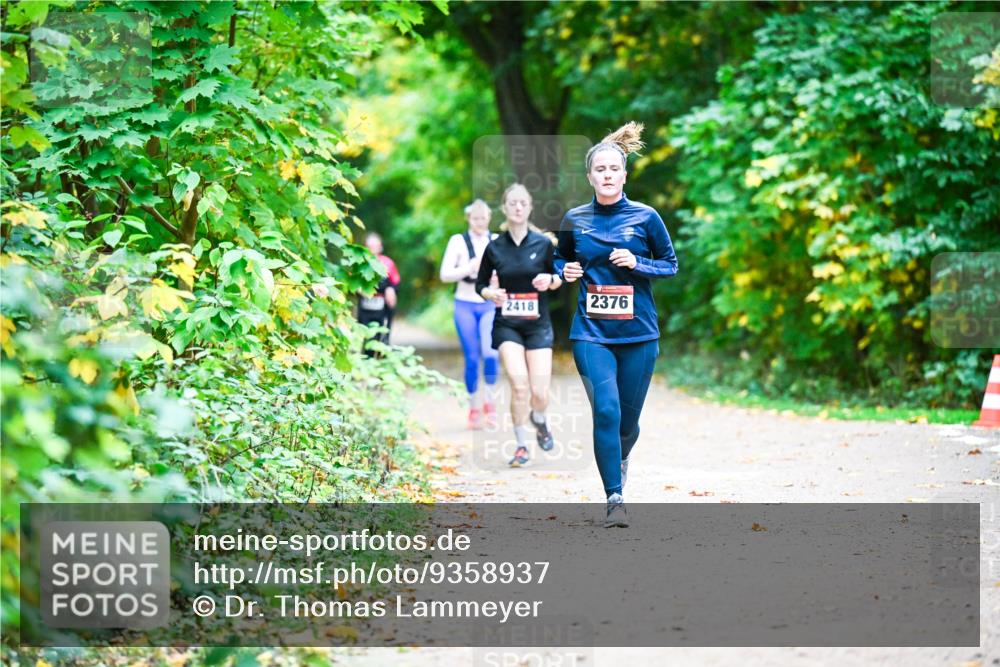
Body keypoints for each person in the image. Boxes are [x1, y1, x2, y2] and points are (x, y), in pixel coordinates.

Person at [554, 122, 678, 527]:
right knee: (605, 411)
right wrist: (565, 270)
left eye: (613, 169)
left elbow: (670, 264)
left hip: (639, 333)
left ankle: (620, 458)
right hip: (592, 333)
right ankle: (615, 497)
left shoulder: (646, 217)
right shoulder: (574, 218)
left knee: (627, 422)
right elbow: (559, 258)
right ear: (590, 177)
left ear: (624, 175)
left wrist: (637, 263)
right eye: (600, 170)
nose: (607, 175)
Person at [476, 184, 562, 467]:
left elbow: (559, 277)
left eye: (523, 203)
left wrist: (550, 280)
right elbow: (480, 285)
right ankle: (522, 445)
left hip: (538, 324)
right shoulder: (494, 247)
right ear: (504, 208)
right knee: (520, 386)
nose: (517, 207)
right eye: (512, 203)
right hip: (507, 325)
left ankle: (539, 418)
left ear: (530, 207)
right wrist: (491, 293)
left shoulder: (543, 244)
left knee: (540, 392)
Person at [440, 199, 501, 429]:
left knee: (491, 353)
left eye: (483, 218)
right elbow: (445, 274)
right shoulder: (457, 241)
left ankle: (490, 404)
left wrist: (499, 277)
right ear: (468, 219)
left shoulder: (496, 240)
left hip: (489, 304)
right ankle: (474, 407)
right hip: (464, 304)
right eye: (475, 219)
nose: (480, 223)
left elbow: (508, 271)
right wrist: (470, 267)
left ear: (489, 218)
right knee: (472, 358)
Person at [358, 232, 400, 356]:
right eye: (370, 246)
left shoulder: (388, 263)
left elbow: (396, 282)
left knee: (383, 338)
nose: (373, 249)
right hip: (365, 307)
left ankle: (382, 360)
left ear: (380, 246)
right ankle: (368, 361)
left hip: (383, 307)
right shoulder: (360, 263)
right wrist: (359, 290)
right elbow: (351, 285)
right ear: (365, 247)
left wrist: (391, 289)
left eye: (375, 246)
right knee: (367, 338)